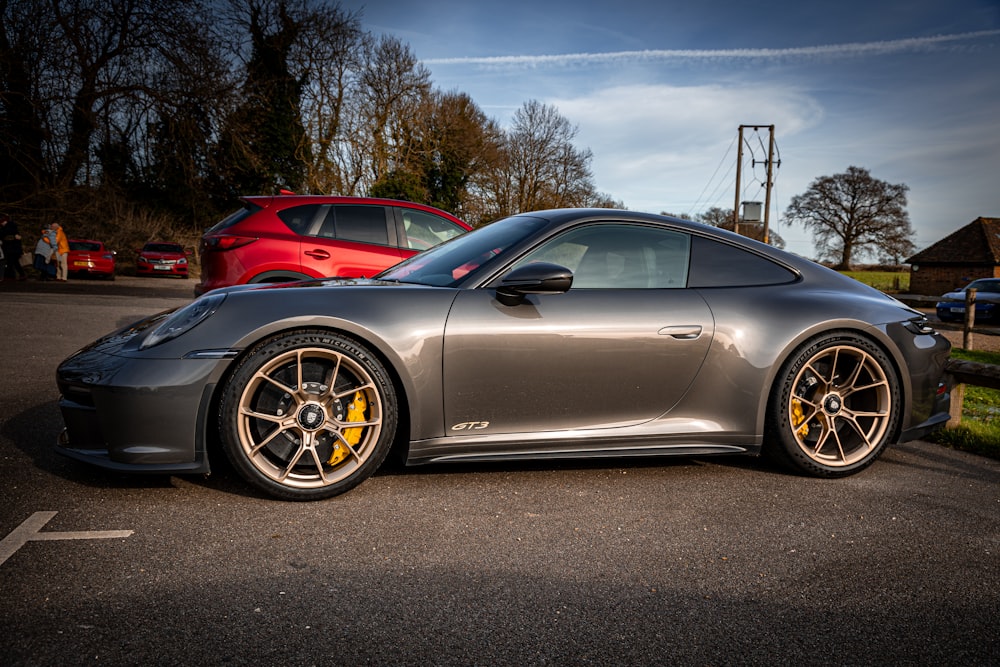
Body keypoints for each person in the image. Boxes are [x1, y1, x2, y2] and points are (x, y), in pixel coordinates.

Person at [0, 213, 27, 281]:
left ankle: (12, 276)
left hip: (12, 248)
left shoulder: (10, 227)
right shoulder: (10, 227)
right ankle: (20, 275)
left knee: (11, 262)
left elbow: (6, 234)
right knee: (14, 262)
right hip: (11, 248)